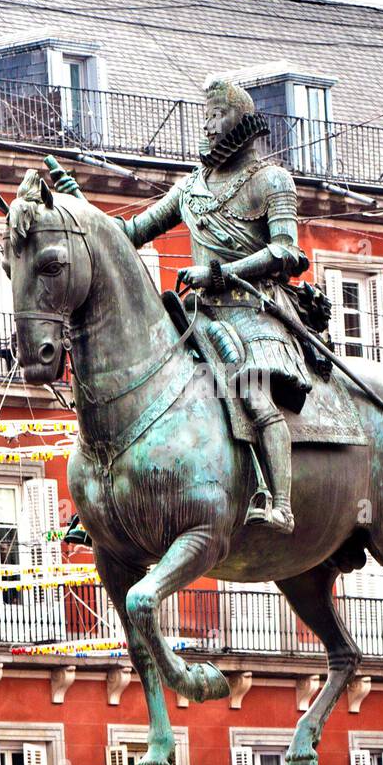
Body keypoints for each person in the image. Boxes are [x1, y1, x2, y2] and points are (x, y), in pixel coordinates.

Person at [116, 75, 312, 533]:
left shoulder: (271, 180)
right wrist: (78, 214)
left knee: (252, 389)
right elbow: (132, 233)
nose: (207, 128)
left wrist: (220, 273)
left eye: (215, 117)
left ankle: (281, 503)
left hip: (258, 312)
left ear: (239, 121)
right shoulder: (191, 188)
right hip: (200, 314)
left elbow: (287, 252)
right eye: (205, 118)